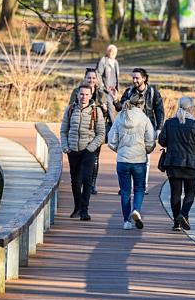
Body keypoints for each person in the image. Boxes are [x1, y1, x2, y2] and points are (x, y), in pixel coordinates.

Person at [107, 92, 155, 230]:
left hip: (122, 160)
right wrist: (146, 150)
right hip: (139, 160)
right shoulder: (145, 119)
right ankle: (136, 210)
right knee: (139, 188)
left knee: (125, 191)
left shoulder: (120, 117)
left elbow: (111, 140)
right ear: (142, 104)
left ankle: (126, 221)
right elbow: (151, 140)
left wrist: (119, 150)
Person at [158, 96, 195, 231]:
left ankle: (176, 223)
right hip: (190, 163)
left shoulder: (169, 123)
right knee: (190, 192)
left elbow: (162, 141)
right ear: (190, 108)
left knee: (175, 193)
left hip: (173, 163)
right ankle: (183, 214)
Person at [61, 85, 105, 221]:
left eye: (86, 94)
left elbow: (101, 134)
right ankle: (77, 207)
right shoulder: (70, 109)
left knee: (87, 180)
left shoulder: (96, 111)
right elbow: (63, 130)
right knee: (75, 181)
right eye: (81, 94)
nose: (83, 97)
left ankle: (84, 210)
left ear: (91, 96)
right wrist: (65, 146)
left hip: (88, 150)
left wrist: (91, 148)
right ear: (77, 95)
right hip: (73, 150)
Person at [117, 68, 165, 193]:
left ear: (144, 78)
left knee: (145, 159)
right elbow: (120, 108)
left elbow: (159, 111)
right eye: (133, 78)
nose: (134, 80)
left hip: (147, 130)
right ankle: (128, 186)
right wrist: (115, 100)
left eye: (137, 78)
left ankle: (142, 185)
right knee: (128, 157)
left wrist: (159, 128)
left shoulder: (153, 92)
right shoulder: (129, 92)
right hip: (130, 130)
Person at [69, 69, 114, 194]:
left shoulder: (101, 94)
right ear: (85, 78)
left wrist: (104, 109)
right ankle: (81, 181)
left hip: (96, 129)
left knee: (94, 157)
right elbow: (71, 108)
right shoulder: (77, 92)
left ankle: (92, 184)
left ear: (97, 79)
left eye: (94, 78)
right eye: (89, 78)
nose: (91, 80)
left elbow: (109, 113)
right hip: (80, 129)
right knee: (80, 157)